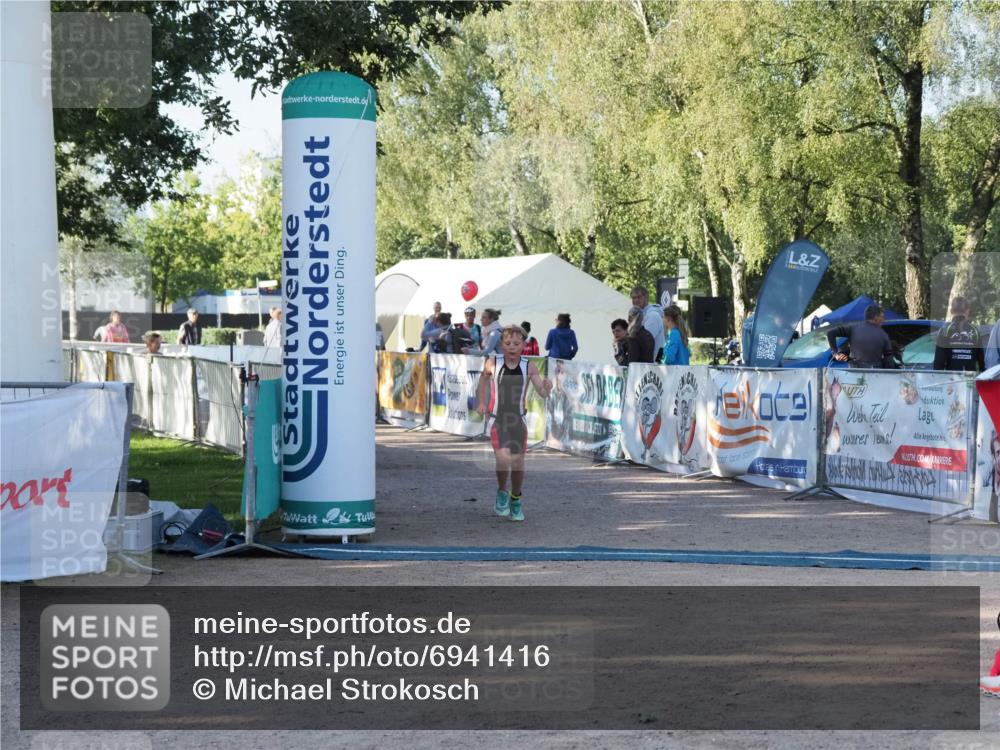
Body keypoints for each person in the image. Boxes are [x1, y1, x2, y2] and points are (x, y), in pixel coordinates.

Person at [476, 325, 553, 522]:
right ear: (502, 344)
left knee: (517, 462)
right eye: (508, 343)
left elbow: (542, 393)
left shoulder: (529, 367)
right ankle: (502, 491)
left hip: (518, 420)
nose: (512, 347)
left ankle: (516, 498)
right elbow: (483, 381)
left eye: (517, 344)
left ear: (524, 346)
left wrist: (547, 388)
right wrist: (482, 402)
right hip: (497, 419)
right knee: (503, 459)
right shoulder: (493, 362)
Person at [826, 304, 895, 369]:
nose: (883, 320)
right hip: (873, 373)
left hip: (855, 372)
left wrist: (836, 353)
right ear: (876, 317)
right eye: (882, 317)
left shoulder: (854, 328)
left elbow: (830, 333)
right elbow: (889, 362)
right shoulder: (883, 335)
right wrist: (836, 353)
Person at [934, 296, 985, 372]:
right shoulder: (975, 331)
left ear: (951, 311)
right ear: (967, 311)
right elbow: (981, 361)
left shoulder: (945, 330)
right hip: (971, 377)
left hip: (950, 377)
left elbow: (938, 362)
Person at [630, 285, 665, 361]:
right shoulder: (639, 315)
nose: (635, 300)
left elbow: (644, 342)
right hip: (645, 363)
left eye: (638, 297)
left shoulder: (653, 315)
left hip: (652, 364)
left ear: (646, 298)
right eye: (633, 298)